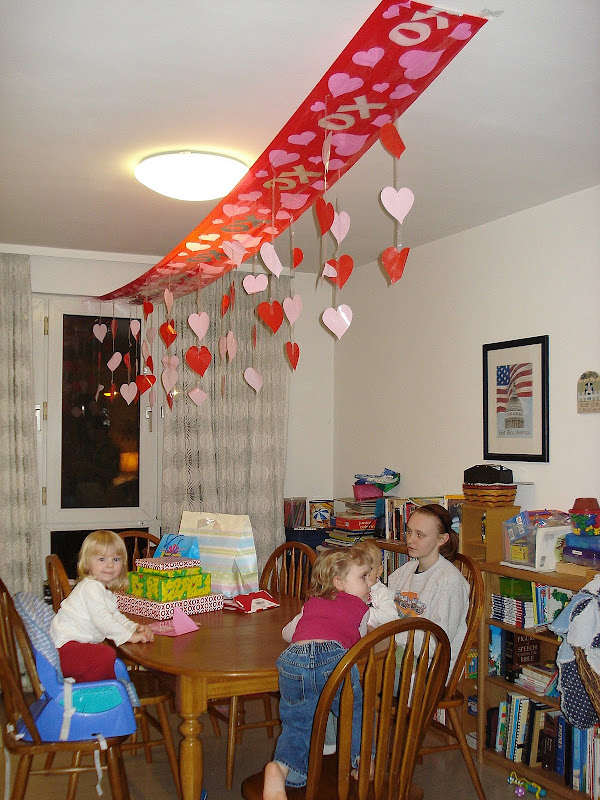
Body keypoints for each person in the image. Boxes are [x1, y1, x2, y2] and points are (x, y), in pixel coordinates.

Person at [263, 547, 371, 800]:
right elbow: (361, 642)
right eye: (363, 577)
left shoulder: (311, 604)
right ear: (339, 583)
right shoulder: (360, 607)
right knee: (354, 711)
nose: (369, 583)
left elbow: (288, 633)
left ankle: (281, 768)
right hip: (333, 658)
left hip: (293, 660)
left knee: (298, 723)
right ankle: (364, 762)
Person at [50, 529, 154, 682]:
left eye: (116, 559)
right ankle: (95, 690)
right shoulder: (90, 587)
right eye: (102, 559)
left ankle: (105, 687)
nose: (110, 565)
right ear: (87, 563)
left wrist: (133, 627)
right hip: (65, 650)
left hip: (74, 647)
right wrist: (129, 636)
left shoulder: (104, 591)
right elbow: (103, 620)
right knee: (105, 654)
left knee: (105, 654)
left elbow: (115, 616)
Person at [387, 504, 469, 674]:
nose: (410, 540)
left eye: (420, 535)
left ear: (442, 539)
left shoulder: (449, 581)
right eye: (409, 531)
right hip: (398, 654)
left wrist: (390, 634)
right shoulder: (404, 572)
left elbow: (436, 644)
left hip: (427, 672)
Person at [352, 539, 398, 628]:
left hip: (375, 634)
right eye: (357, 570)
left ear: (379, 571)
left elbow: (391, 617)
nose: (362, 575)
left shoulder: (381, 592)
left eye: (368, 570)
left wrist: (363, 611)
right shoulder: (351, 587)